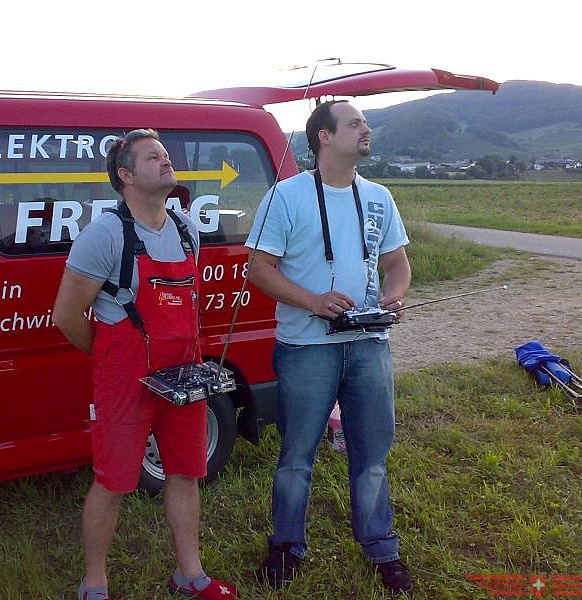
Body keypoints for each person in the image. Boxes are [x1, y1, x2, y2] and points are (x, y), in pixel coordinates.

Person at [53, 129, 238, 600]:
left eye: (165, 155)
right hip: (127, 378)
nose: (166, 161)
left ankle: (190, 575)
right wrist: (111, 358)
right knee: (113, 482)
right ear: (126, 176)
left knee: (186, 472)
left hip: (184, 374)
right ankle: (95, 583)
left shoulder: (186, 228)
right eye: (153, 157)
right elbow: (67, 316)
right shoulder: (104, 235)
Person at [246, 100, 413, 596]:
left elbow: (397, 264)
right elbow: (259, 270)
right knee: (297, 454)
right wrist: (314, 302)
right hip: (306, 347)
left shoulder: (379, 196)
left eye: (365, 122)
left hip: (369, 344)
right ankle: (285, 547)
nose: (366, 129)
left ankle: (382, 549)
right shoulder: (286, 195)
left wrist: (393, 297)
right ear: (324, 136)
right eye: (355, 123)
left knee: (372, 453)